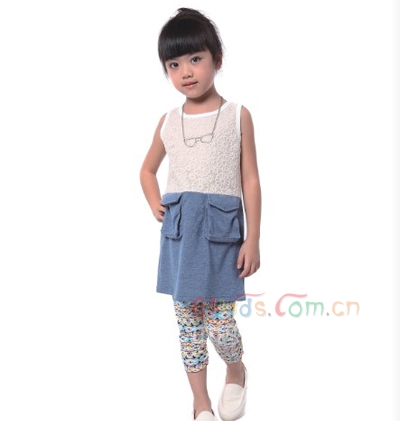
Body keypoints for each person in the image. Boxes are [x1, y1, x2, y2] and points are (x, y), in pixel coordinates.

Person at [140, 7, 261, 421]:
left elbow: (250, 180)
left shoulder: (237, 115)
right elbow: (146, 169)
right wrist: (153, 199)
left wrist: (253, 238)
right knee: (189, 326)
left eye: (195, 58)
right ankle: (200, 402)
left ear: (217, 59)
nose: (186, 72)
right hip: (179, 236)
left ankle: (236, 369)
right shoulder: (168, 121)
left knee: (221, 325)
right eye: (174, 64)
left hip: (220, 235)